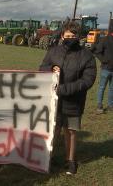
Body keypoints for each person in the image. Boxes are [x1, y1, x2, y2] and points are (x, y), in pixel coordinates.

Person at [39, 20, 96, 175]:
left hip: (74, 101)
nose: (70, 37)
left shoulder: (86, 56)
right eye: (67, 35)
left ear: (78, 36)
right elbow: (42, 68)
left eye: (73, 35)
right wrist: (51, 68)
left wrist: (64, 89)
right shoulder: (53, 51)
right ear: (63, 35)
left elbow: (87, 80)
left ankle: (70, 160)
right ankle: (47, 158)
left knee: (70, 131)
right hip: (54, 101)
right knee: (53, 130)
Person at [92, 32, 113, 113]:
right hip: (105, 69)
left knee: (111, 88)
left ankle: (110, 106)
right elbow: (97, 52)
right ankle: (99, 106)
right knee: (102, 87)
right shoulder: (105, 39)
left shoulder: (104, 39)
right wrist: (104, 61)